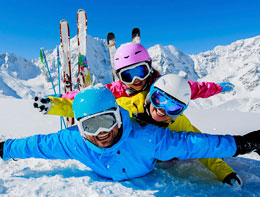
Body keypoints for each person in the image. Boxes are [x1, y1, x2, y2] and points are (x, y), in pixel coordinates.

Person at [1, 86, 259, 181]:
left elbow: (195, 144)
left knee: (176, 153)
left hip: (150, 164)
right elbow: (37, 145)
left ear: (118, 116)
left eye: (107, 121)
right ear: (79, 129)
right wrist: (4, 148)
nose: (102, 133)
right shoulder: (72, 142)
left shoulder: (147, 137)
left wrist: (243, 144)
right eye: (91, 126)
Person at [33, 43, 234, 115]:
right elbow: (86, 96)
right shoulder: (117, 90)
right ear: (120, 78)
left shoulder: (163, 85)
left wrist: (218, 87)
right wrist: (59, 97)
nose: (137, 80)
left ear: (149, 67)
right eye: (128, 75)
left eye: (141, 71)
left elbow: (196, 88)